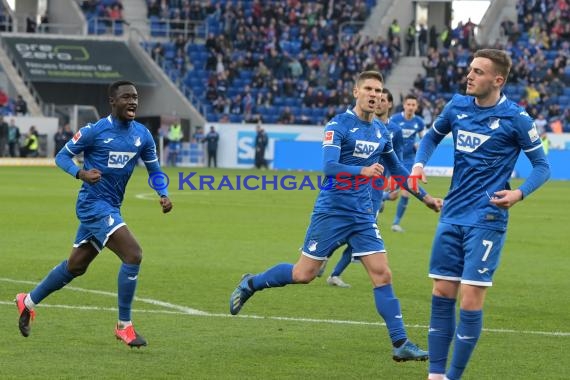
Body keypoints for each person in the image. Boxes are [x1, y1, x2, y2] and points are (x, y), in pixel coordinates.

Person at [229, 71, 442, 361]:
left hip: (362, 215)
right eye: (368, 88)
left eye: (378, 90)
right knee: (304, 274)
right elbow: (329, 166)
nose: (374, 94)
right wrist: (362, 171)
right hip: (331, 211)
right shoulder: (338, 125)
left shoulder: (382, 132)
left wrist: (427, 198)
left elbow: (398, 171)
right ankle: (251, 283)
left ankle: (400, 343)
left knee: (382, 274)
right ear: (356, 92)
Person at [410, 49, 550, 380]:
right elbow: (431, 137)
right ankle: (435, 375)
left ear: (497, 80)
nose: (469, 76)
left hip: (486, 219)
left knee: (470, 299)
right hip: (451, 214)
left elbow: (542, 167)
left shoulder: (517, 119)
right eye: (469, 69)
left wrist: (518, 193)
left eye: (478, 71)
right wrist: (418, 164)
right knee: (442, 294)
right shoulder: (456, 106)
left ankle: (454, 377)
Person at [14, 80, 173, 348]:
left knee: (76, 266)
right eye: (126, 97)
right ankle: (124, 326)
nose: (132, 102)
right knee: (133, 254)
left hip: (111, 206)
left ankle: (27, 301)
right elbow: (62, 157)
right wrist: (81, 173)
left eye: (135, 97)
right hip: (92, 204)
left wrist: (163, 193)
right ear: (112, 102)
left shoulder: (142, 135)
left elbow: (154, 169)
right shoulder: (94, 131)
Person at [323, 87, 403, 288]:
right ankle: (326, 258)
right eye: (377, 97)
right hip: (357, 188)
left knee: (358, 233)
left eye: (384, 99)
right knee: (356, 231)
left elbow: (397, 162)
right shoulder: (358, 126)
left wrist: (396, 185)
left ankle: (332, 268)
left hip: (376, 189)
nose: (379, 101)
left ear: (389, 104)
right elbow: (331, 165)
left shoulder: (393, 131)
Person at [390, 94, 425, 232]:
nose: (410, 107)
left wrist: (419, 144)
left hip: (410, 160)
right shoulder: (395, 119)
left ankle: (396, 223)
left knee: (407, 192)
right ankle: (382, 198)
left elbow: (425, 140)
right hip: (394, 159)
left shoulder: (419, 122)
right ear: (404, 105)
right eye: (408, 104)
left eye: (413, 105)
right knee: (392, 194)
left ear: (416, 107)